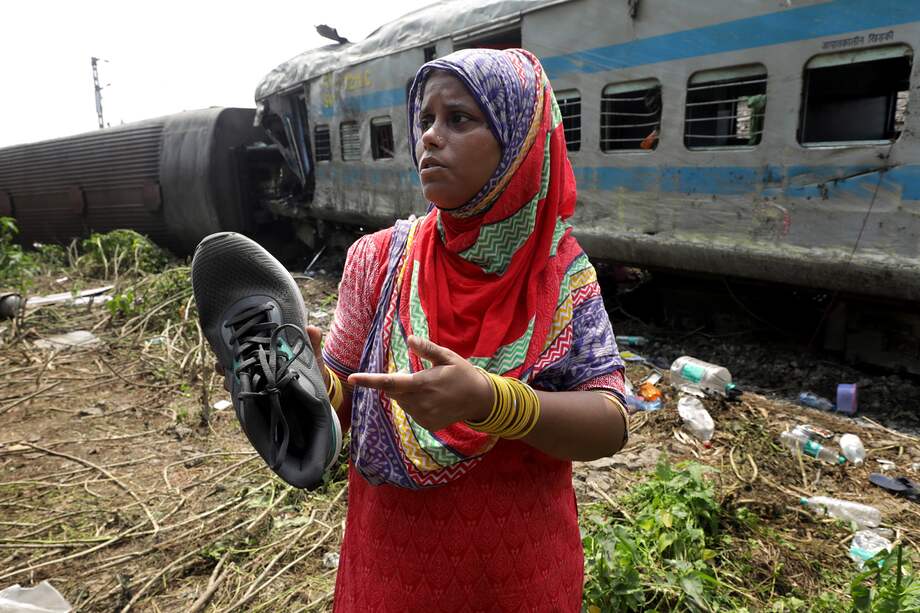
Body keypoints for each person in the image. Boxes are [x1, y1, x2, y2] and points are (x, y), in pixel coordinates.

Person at [306, 48, 629, 611]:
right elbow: (338, 407)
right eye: (425, 120)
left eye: (459, 119)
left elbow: (610, 423)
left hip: (521, 575)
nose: (429, 137)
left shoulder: (561, 273)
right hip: (394, 571)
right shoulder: (378, 263)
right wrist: (300, 384)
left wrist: (494, 402)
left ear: (519, 141)